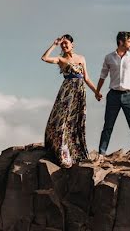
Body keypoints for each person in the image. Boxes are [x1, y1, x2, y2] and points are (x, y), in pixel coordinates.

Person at [41, 34, 102, 167]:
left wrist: (96, 92)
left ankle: (76, 152)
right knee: (63, 121)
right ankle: (62, 153)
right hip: (67, 93)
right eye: (62, 44)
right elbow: (44, 58)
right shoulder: (60, 59)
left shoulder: (81, 58)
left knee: (76, 121)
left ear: (72, 44)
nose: (64, 45)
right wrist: (54, 44)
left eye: (66, 43)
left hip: (79, 93)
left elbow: (86, 78)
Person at [95, 31, 130, 164]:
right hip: (113, 96)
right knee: (108, 126)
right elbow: (103, 75)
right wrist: (97, 91)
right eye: (129, 41)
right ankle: (101, 154)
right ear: (121, 42)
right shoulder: (109, 58)